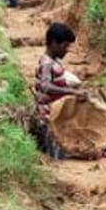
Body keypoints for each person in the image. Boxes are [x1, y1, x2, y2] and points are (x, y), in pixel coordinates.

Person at [33, 22, 86, 159]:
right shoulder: (47, 64)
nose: (66, 50)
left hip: (54, 116)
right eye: (65, 46)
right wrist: (72, 92)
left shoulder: (52, 63)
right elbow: (45, 86)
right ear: (54, 43)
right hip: (48, 118)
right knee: (55, 157)